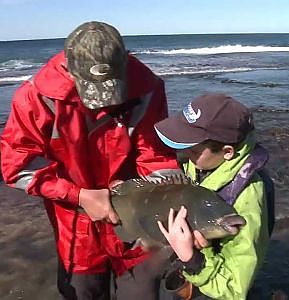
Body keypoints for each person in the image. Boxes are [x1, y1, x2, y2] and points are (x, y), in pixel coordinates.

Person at [0, 21, 183, 299]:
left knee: (143, 292)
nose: (104, 101)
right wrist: (79, 195)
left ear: (125, 62)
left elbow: (156, 156)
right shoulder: (35, 97)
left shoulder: (147, 88)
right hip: (75, 226)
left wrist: (144, 198)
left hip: (135, 215)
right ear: (69, 69)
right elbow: (16, 167)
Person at [154, 93, 274, 300]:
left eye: (191, 150)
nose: (182, 153)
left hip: (212, 283)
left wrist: (194, 259)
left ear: (227, 152)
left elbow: (235, 288)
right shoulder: (201, 162)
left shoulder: (248, 197)